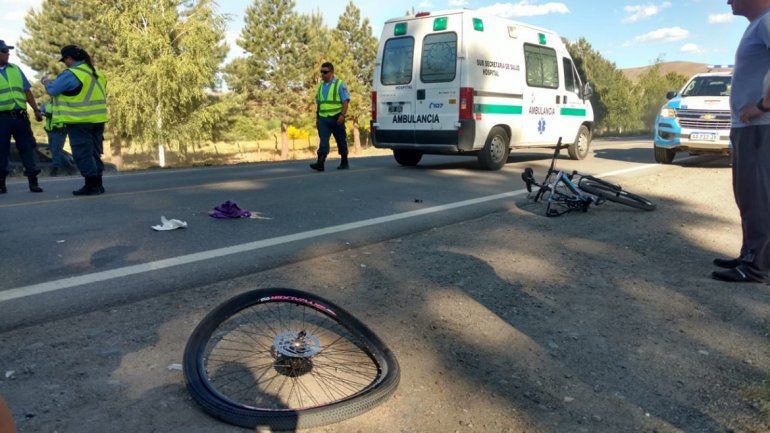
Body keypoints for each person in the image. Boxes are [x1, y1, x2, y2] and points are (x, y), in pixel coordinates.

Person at [712, 0, 770, 283]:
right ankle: (752, 254)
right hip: (750, 127)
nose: (728, 0)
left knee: (757, 197)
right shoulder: (759, 24)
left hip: (760, 126)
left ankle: (754, 266)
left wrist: (763, 106)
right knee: (749, 195)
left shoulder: (768, 20)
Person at [43, 45, 108, 195]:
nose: (65, 64)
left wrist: (46, 82)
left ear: (69, 59)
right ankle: (98, 184)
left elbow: (53, 90)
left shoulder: (72, 74)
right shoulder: (97, 73)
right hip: (98, 120)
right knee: (94, 153)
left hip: (79, 121)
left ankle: (91, 185)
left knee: (83, 154)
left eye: (64, 60)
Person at [0, 39, 44, 194]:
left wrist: (36, 110)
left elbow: (27, 92)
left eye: (7, 51)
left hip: (20, 117)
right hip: (1, 119)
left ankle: (33, 182)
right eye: (4, 51)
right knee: (1, 152)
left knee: (28, 149)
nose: (8, 54)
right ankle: (1, 184)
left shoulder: (15, 69)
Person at [310, 62, 350, 172]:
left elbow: (345, 101)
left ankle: (344, 161)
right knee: (323, 140)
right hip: (323, 119)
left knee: (340, 139)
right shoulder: (320, 86)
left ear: (331, 72)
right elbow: (319, 103)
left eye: (325, 72)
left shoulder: (339, 84)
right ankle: (320, 163)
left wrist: (342, 115)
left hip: (337, 117)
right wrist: (317, 118)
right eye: (321, 72)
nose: (322, 74)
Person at [40, 101, 71, 176]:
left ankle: (56, 168)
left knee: (55, 150)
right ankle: (69, 167)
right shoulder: (48, 105)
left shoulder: (64, 105)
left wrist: (50, 114)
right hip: (50, 131)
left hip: (59, 131)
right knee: (54, 150)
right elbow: (42, 110)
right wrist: (43, 113)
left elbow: (66, 115)